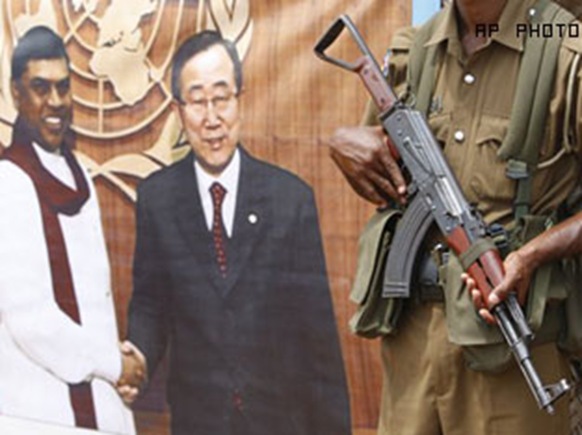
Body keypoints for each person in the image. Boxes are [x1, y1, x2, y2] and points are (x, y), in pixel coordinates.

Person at [329, 0, 582, 434]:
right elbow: (379, 149)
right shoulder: (416, 50)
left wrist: (533, 255)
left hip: (509, 350)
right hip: (412, 347)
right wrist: (342, 142)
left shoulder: (564, 52)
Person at [124, 30, 351, 435]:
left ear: (239, 101)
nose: (212, 118)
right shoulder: (157, 200)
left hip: (281, 422)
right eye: (197, 100)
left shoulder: (290, 200)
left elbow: (317, 339)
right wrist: (136, 357)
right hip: (198, 422)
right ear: (179, 111)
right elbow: (150, 305)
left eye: (222, 98)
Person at [0, 26, 140, 433]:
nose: (56, 102)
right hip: (39, 408)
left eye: (64, 87)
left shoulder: (77, 171)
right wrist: (118, 366)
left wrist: (119, 373)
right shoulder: (8, 181)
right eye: (40, 88)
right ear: (15, 93)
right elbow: (30, 318)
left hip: (100, 396)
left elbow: (96, 304)